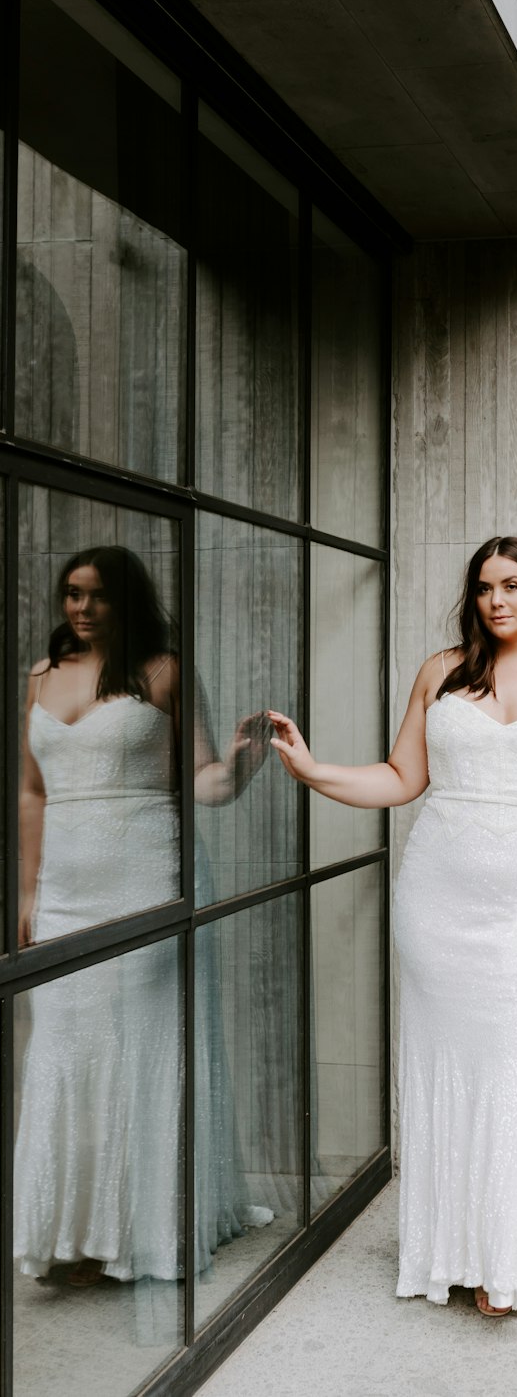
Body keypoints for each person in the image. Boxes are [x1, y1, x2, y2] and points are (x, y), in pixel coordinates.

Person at [269, 535, 517, 1316]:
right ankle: (460, 1252)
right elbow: (402, 778)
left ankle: (510, 1258)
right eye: (482, 588)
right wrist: (313, 770)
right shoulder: (442, 672)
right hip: (439, 905)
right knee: (451, 1071)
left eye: (510, 585)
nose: (495, 600)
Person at [15, 544, 272, 1286]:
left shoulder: (163, 669)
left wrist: (243, 763)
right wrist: (28, 893)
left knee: (141, 1056)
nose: (81, 608)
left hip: (146, 884)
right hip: (66, 894)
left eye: (96, 595)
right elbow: (32, 792)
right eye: (71, 594)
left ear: (127, 600)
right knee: (65, 1053)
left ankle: (142, 1235)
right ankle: (70, 1237)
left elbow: (206, 784)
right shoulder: (40, 675)